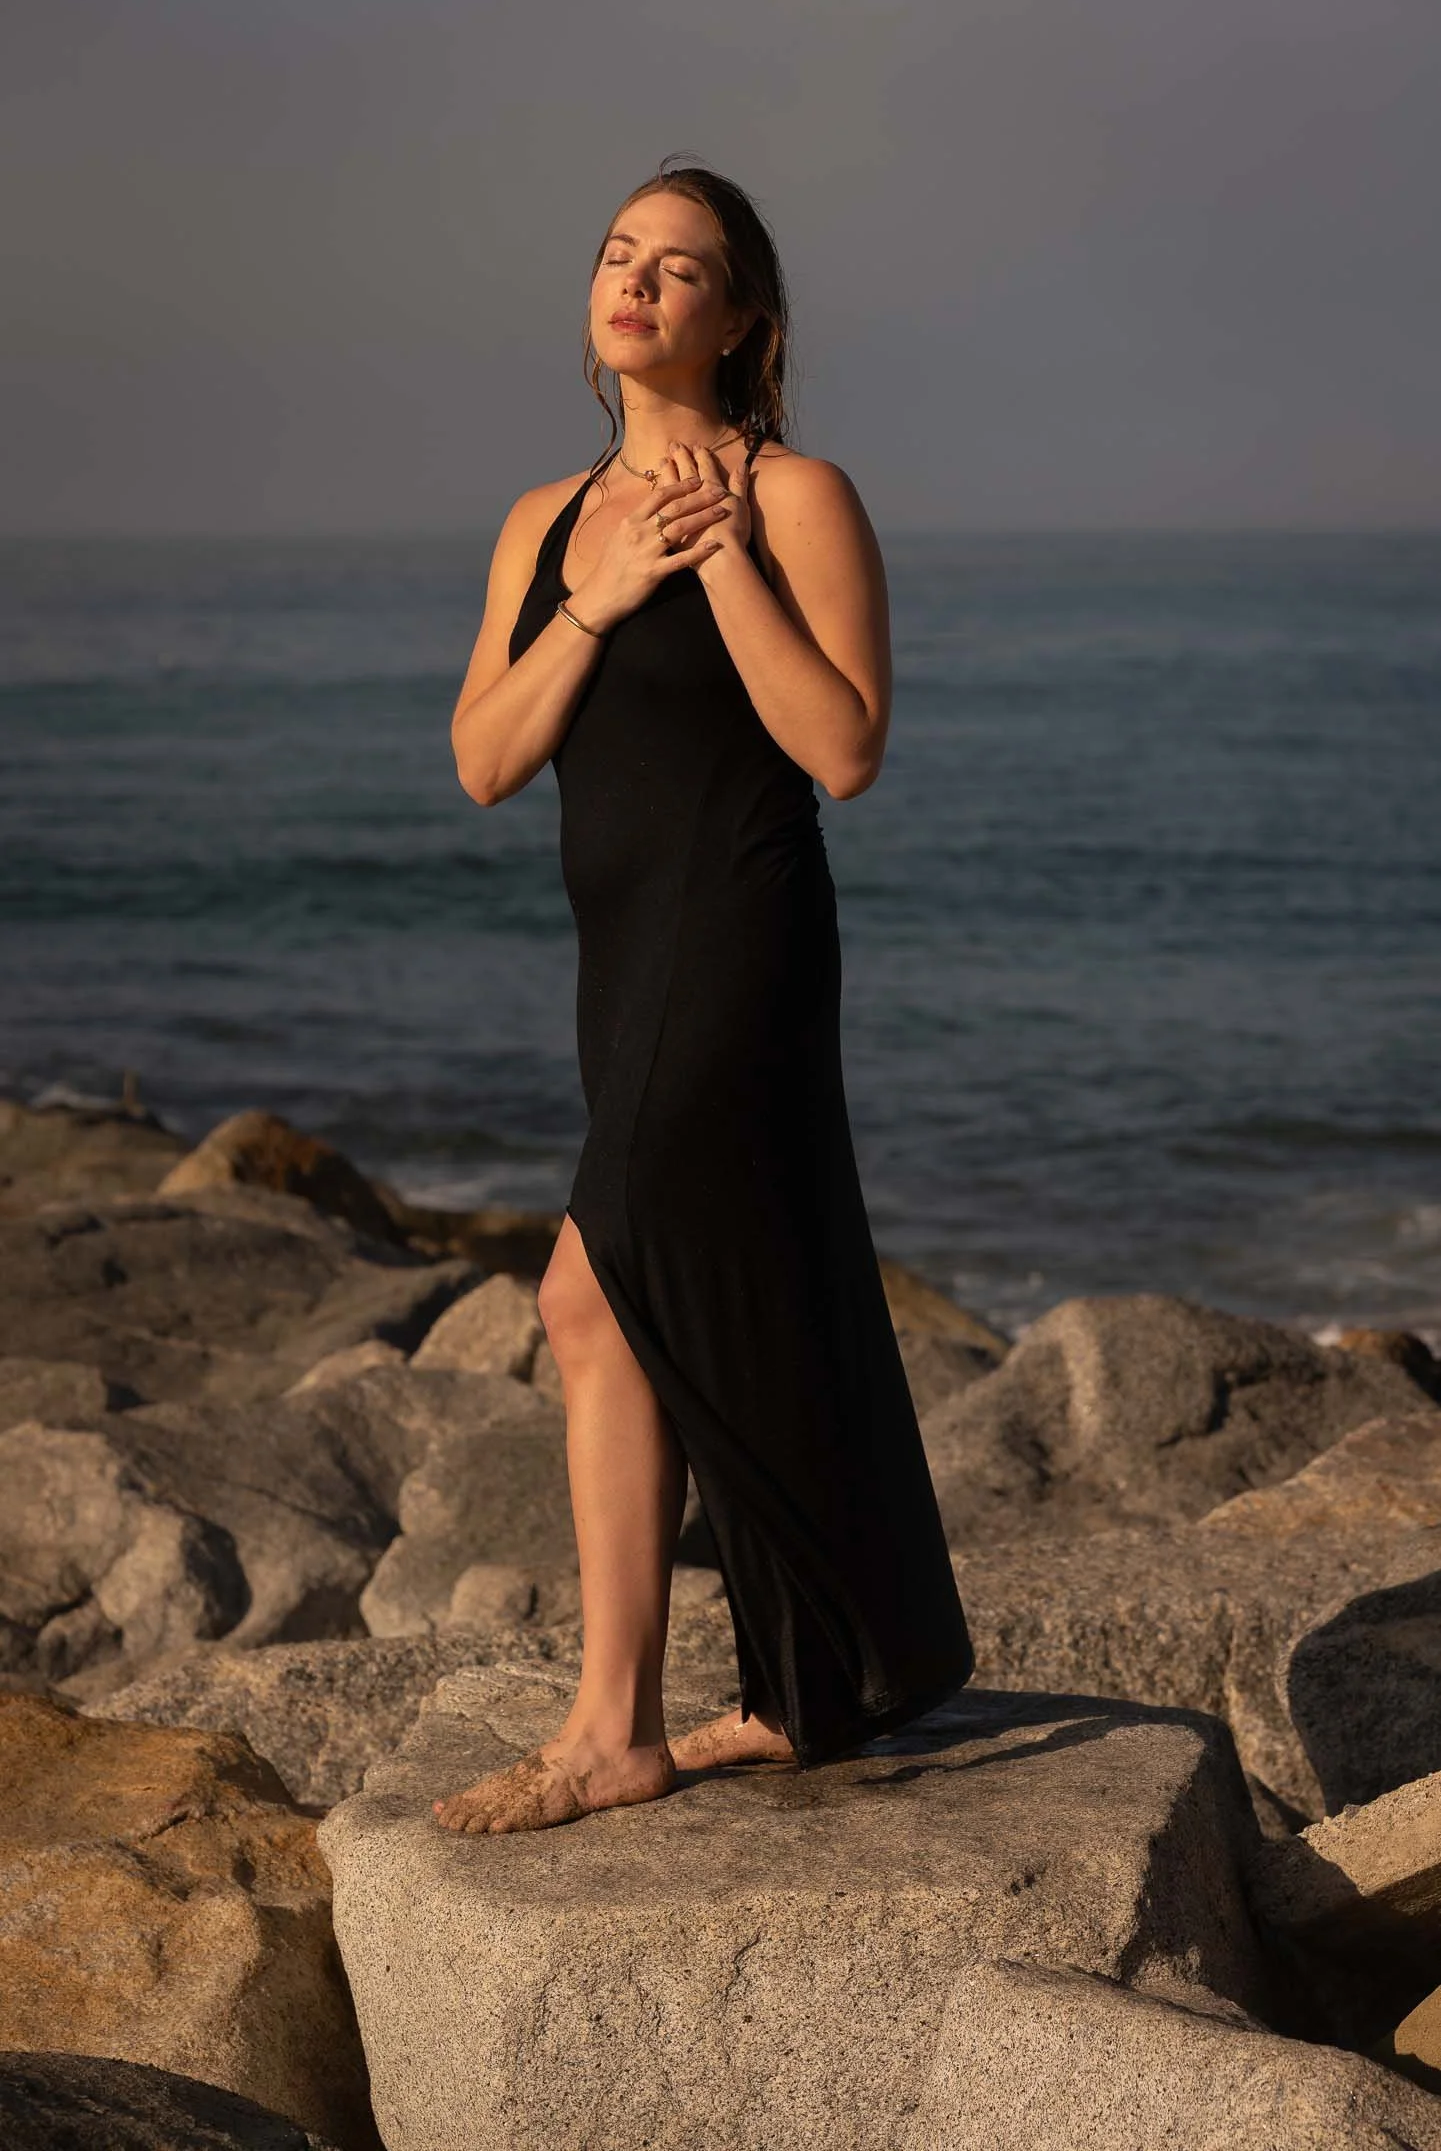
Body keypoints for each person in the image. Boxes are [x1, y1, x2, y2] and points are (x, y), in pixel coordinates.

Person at [435, 158, 973, 1836]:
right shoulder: (541, 520)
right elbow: (484, 761)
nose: (640, 284)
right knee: (670, 1299)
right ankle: (799, 1678)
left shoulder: (801, 494)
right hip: (621, 955)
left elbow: (847, 748)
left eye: (682, 268)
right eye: (618, 257)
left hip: (740, 936)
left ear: (745, 320)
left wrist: (723, 557)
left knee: (592, 1297)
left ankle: (613, 1727)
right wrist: (597, 599)